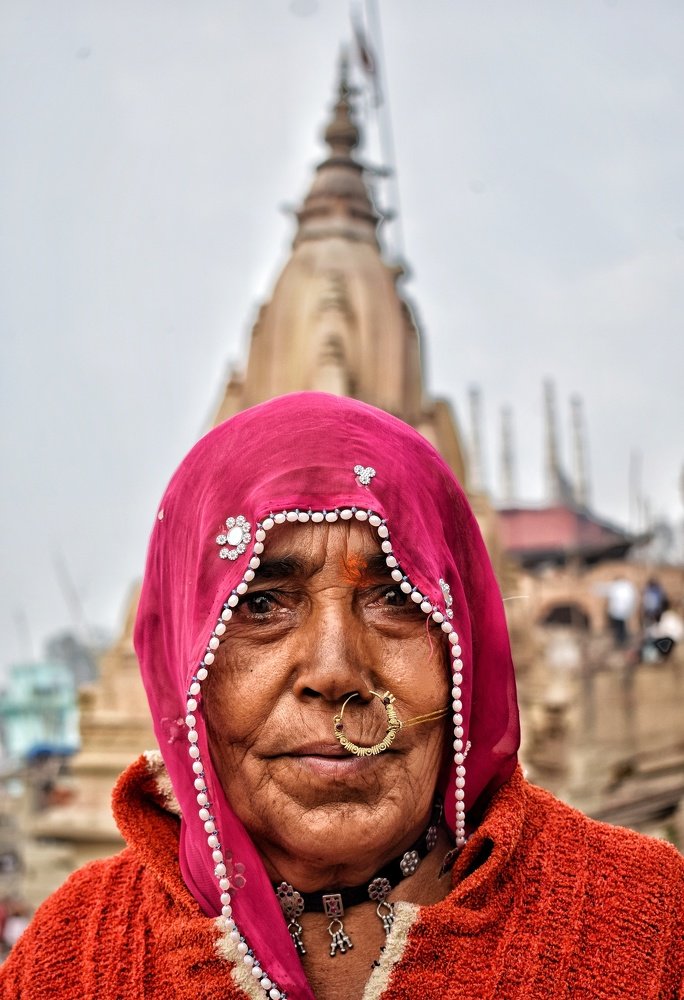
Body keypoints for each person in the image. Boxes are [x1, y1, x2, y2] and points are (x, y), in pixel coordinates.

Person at [1, 393, 682, 999]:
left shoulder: (650, 930)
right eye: (261, 603)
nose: (334, 671)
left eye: (395, 597)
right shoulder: (70, 962)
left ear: (463, 646)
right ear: (183, 661)